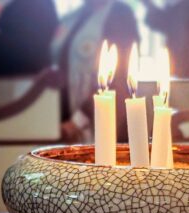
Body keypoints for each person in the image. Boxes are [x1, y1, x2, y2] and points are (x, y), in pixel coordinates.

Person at [52, 0, 139, 143]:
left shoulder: (119, 14)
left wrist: (79, 119)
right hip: (65, 117)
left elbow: (118, 75)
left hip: (94, 119)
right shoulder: (73, 17)